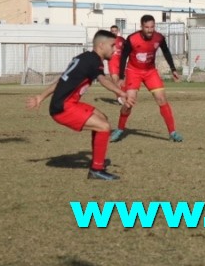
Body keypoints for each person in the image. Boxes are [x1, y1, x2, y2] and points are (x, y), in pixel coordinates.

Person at [25, 30, 133, 180]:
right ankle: (96, 169)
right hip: (63, 108)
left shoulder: (83, 58)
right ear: (101, 45)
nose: (115, 49)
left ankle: (96, 164)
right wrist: (121, 93)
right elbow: (103, 80)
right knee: (104, 127)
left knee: (102, 119)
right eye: (112, 45)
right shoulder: (94, 61)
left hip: (68, 103)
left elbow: (62, 81)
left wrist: (40, 97)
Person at [111, 14, 183, 143]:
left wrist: (173, 69)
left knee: (162, 99)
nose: (150, 30)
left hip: (150, 72)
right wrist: (121, 76)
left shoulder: (159, 37)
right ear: (141, 26)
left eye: (152, 27)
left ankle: (172, 132)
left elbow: (166, 52)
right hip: (133, 71)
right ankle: (120, 129)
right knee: (129, 102)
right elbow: (123, 57)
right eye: (147, 27)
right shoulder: (132, 39)